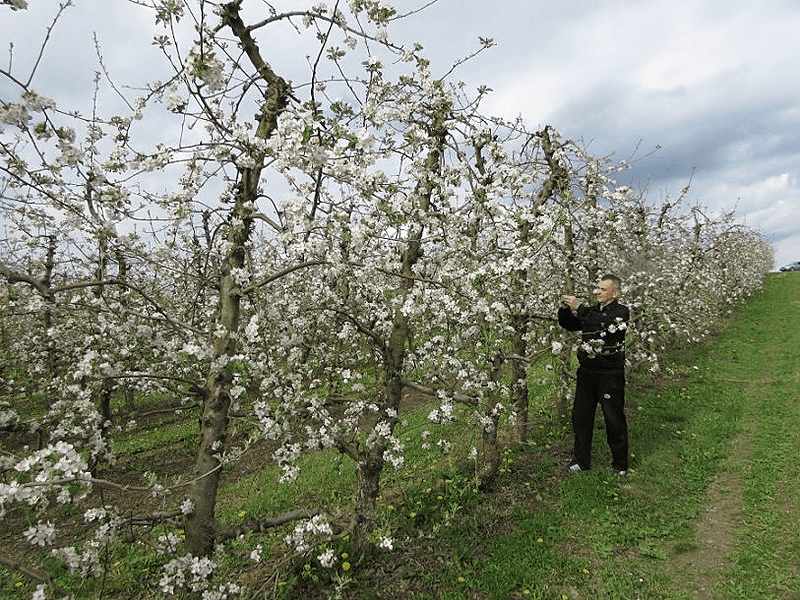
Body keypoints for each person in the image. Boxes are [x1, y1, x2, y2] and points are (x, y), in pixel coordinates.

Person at [558, 274, 630, 475]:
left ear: (615, 293)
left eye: (603, 289)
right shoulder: (592, 311)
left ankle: (620, 464)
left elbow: (605, 324)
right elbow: (571, 324)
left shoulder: (621, 312)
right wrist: (565, 310)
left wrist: (579, 308)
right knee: (580, 417)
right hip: (587, 372)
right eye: (598, 288)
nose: (598, 292)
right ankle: (581, 461)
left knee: (613, 418)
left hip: (610, 374)